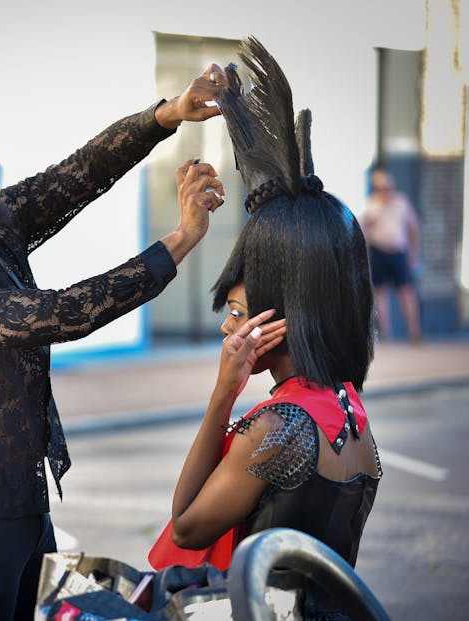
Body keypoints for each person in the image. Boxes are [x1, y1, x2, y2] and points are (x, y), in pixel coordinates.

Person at [0, 65, 228, 620]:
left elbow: (81, 172)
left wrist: (169, 114)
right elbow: (65, 313)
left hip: (22, 506)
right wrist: (181, 239)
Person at [148, 38, 382, 620]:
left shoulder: (282, 425)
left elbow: (188, 523)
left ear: (281, 312)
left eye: (234, 310)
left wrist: (223, 393)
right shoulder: (347, 407)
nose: (230, 327)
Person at [359, 166, 422, 343]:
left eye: (387, 188)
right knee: (381, 294)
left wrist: (414, 253)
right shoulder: (371, 205)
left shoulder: (402, 203)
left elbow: (413, 229)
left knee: (407, 292)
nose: (385, 192)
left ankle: (414, 332)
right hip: (379, 252)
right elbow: (363, 234)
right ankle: (386, 334)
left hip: (398, 252)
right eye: (381, 188)